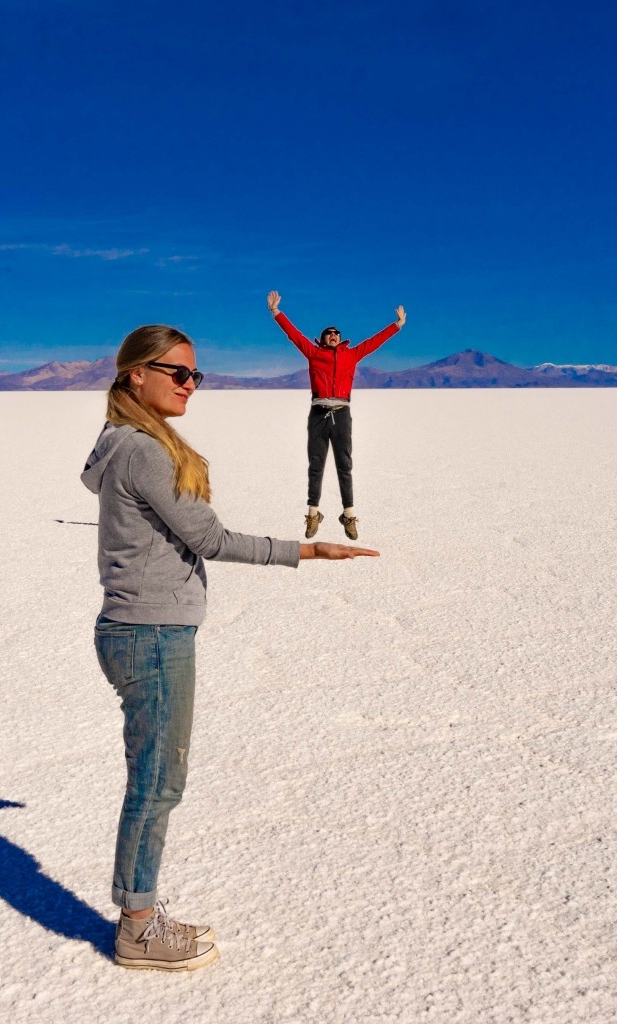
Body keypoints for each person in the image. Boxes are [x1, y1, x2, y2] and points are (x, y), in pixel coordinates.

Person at [81, 324, 379, 971]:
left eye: (197, 376)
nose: (191, 385)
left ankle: (140, 912)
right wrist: (307, 550)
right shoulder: (143, 453)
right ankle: (137, 928)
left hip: (138, 629)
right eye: (178, 373)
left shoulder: (123, 445)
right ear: (136, 374)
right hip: (152, 634)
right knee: (158, 784)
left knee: (155, 779)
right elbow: (212, 539)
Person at [267, 290, 406, 541]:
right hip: (318, 413)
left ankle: (349, 516)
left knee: (345, 465)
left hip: (342, 413)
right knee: (316, 465)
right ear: (323, 339)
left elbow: (374, 342)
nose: (333, 335)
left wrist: (396, 326)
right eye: (328, 334)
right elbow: (294, 336)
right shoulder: (314, 353)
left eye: (336, 334)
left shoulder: (351, 355)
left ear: (341, 339)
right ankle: (313, 514)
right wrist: (276, 312)